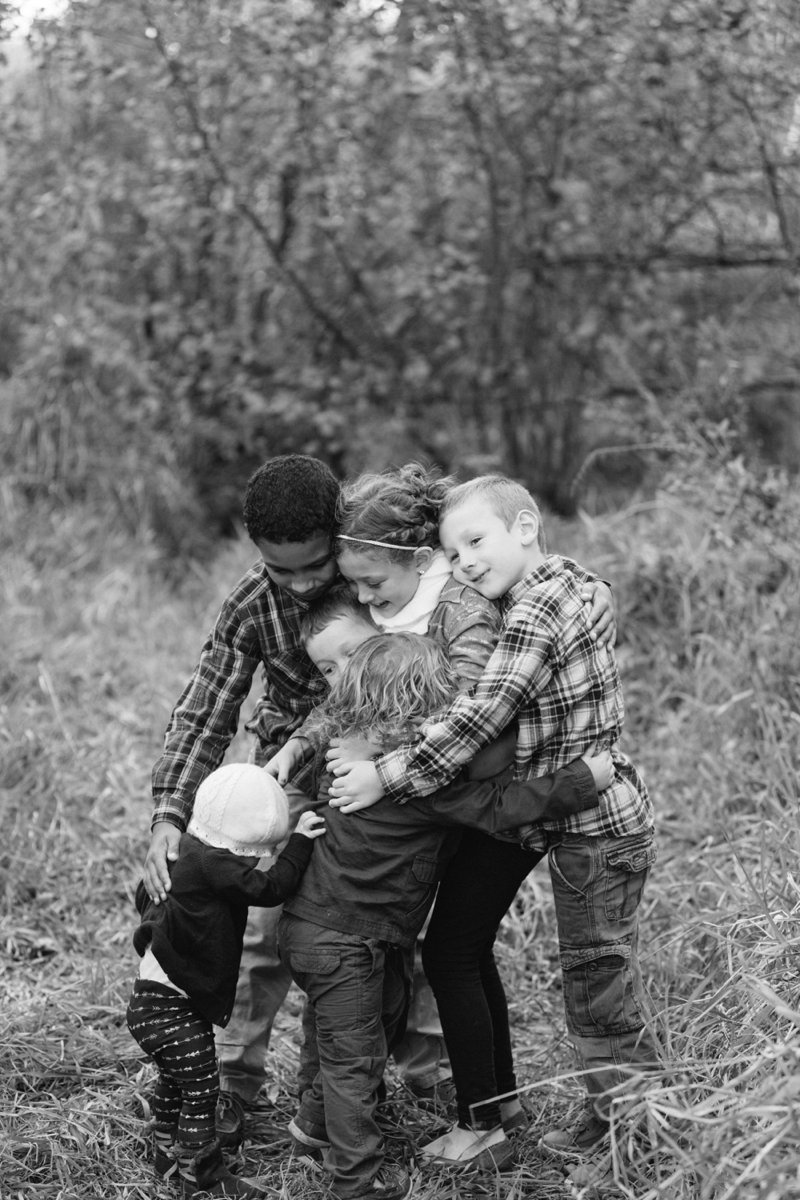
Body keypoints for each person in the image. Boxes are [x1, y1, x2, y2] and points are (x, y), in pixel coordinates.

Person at [328, 474, 658, 1174]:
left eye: (477, 540)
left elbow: (482, 715)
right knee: (455, 944)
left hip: (589, 820)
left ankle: (630, 1133)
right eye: (455, 549)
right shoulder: (550, 585)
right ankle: (496, 1109)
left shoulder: (535, 609)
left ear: (527, 528)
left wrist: (383, 773)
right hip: (539, 810)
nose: (468, 560)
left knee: (597, 980)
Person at [270, 464, 615, 1110]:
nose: (367, 600)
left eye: (372, 583)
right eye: (357, 586)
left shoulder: (458, 602)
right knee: (456, 947)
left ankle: (484, 1108)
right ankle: (485, 1097)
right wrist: (304, 742)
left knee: (456, 950)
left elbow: (474, 714)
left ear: (415, 560)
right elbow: (362, 689)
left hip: (476, 782)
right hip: (441, 799)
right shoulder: (409, 597)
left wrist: (381, 759)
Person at [276, 631, 613, 1200]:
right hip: (347, 938)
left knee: (357, 1031)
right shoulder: (414, 785)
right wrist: (581, 781)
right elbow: (499, 807)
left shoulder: (346, 754)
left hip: (324, 926)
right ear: (417, 711)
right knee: (355, 1058)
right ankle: (356, 1181)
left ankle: (313, 1126)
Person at [143, 454, 340, 1146]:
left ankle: (385, 1081)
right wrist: (171, 812)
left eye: (315, 564)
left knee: (375, 936)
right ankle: (230, 1079)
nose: (302, 582)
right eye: (282, 569)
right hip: (280, 783)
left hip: (378, 776)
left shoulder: (375, 575)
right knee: (254, 935)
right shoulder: (254, 601)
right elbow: (206, 711)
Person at [127, 763, 325, 1198]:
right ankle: (203, 1178)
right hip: (173, 1011)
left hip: (148, 1005)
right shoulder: (217, 863)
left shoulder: (186, 853)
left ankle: (166, 1155)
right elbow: (271, 888)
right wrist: (299, 843)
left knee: (173, 1080)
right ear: (242, 847)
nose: (259, 862)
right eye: (257, 853)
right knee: (201, 1090)